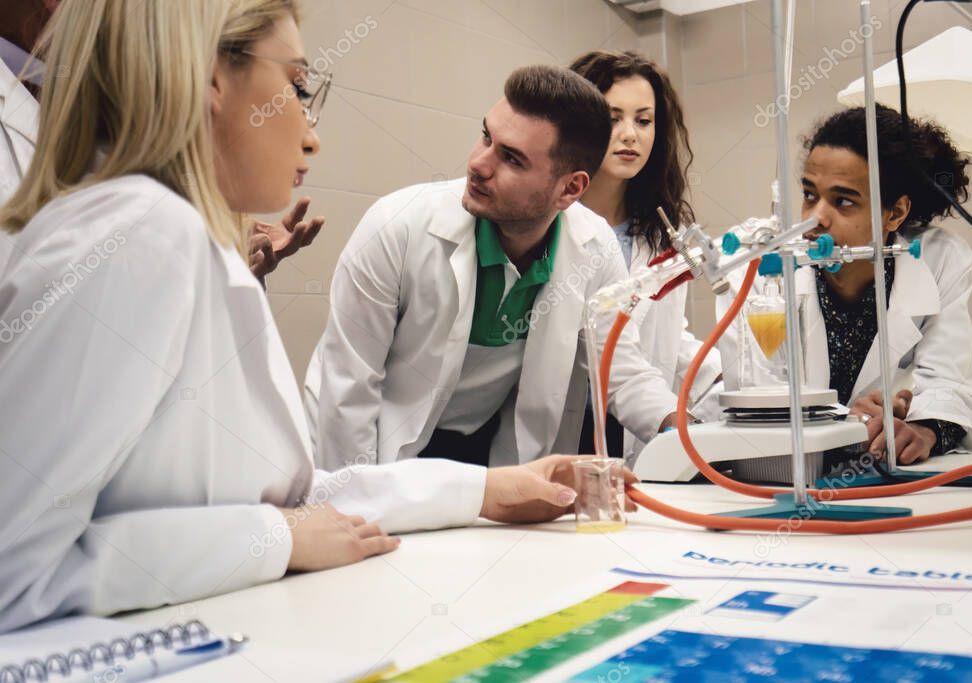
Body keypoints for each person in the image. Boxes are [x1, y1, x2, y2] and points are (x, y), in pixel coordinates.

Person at [0, 0, 605, 634]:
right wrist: (274, 539)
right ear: (209, 79)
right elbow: (13, 566)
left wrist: (487, 491)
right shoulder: (137, 234)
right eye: (296, 85)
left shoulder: (184, 238)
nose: (311, 131)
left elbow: (297, 503)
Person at [304, 64, 681, 471]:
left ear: (570, 188)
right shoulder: (397, 227)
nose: (478, 165)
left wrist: (690, 434)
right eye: (486, 136)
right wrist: (361, 505)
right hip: (373, 447)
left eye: (512, 159)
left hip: (480, 453)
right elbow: (350, 393)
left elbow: (620, 370)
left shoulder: (595, 248)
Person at [717, 105, 972, 467]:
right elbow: (756, 407)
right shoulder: (758, 264)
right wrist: (843, 423)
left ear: (896, 213)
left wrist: (922, 430)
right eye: (810, 194)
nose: (814, 218)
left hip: (884, 479)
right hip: (776, 477)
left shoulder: (938, 260)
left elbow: (951, 381)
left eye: (842, 201)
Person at [0, 0, 322, 281]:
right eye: (297, 90)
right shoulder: (155, 227)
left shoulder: (168, 225)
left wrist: (227, 261)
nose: (311, 140)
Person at [570, 50, 721, 463]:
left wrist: (729, 382)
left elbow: (667, 336)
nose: (630, 134)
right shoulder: (553, 225)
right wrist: (674, 420)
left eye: (643, 120)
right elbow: (606, 352)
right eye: (612, 118)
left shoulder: (657, 231)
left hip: (634, 422)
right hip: (566, 428)